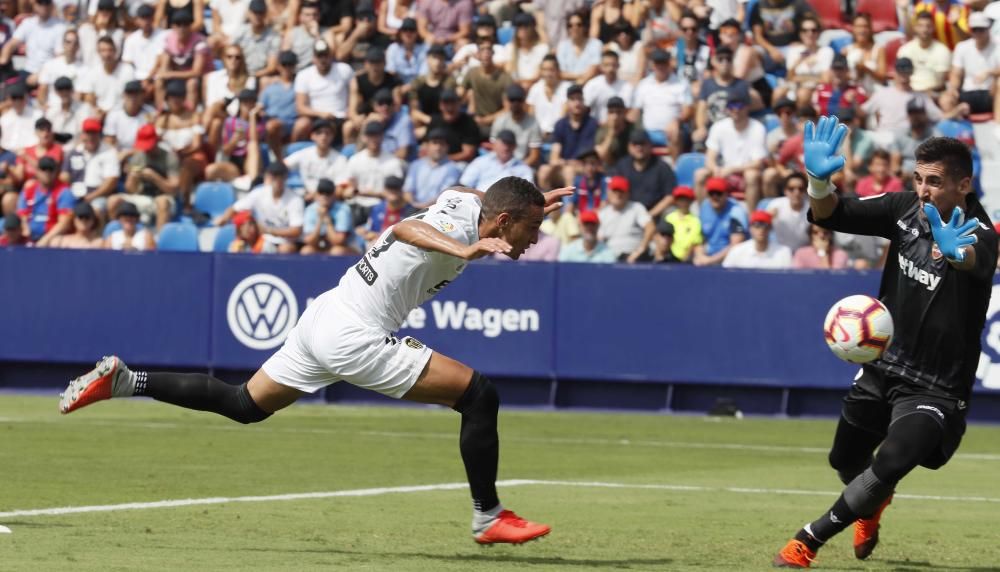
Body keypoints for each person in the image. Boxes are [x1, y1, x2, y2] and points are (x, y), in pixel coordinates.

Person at [60, 177, 565, 547]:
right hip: (354, 334)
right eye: (534, 225)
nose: (535, 237)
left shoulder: (467, 201)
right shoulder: (456, 230)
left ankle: (127, 380)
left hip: (325, 315)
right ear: (503, 223)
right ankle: (487, 516)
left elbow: (463, 189)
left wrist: (532, 201)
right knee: (479, 396)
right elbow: (406, 228)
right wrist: (465, 247)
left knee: (244, 404)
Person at [772, 117, 998, 568]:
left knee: (892, 461)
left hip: (936, 387)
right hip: (883, 368)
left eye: (934, 182)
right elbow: (830, 213)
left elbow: (975, 260)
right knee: (844, 459)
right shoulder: (902, 209)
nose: (923, 190)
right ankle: (870, 507)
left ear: (964, 184)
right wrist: (818, 181)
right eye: (918, 178)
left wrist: (957, 253)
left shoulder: (983, 236)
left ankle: (807, 540)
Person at [596, 175, 655, 263]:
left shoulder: (636, 208)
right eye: (615, 191)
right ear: (608, 193)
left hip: (634, 257)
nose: (618, 194)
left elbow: (650, 228)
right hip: (610, 259)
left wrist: (640, 250)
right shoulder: (603, 214)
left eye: (621, 191)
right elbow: (599, 239)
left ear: (628, 193)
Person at [17, 155, 74, 246]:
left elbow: (64, 223)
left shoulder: (64, 192)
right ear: (37, 171)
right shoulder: (29, 190)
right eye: (43, 169)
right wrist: (25, 230)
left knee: (55, 242)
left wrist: (45, 239)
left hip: (51, 236)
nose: (47, 172)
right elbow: (22, 215)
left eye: (51, 169)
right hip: (29, 235)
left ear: (56, 172)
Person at [403, 128, 461, 209]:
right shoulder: (416, 165)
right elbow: (407, 190)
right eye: (435, 143)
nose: (438, 147)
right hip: (413, 208)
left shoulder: (453, 169)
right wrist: (414, 204)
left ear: (447, 147)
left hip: (437, 209)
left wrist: (424, 207)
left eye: (442, 144)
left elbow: (444, 194)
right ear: (427, 145)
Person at [459, 129, 533, 191]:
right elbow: (464, 184)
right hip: (480, 202)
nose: (506, 147)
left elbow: (529, 193)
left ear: (515, 146)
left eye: (510, 144)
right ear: (495, 144)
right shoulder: (480, 162)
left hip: (509, 205)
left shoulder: (523, 168)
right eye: (503, 143)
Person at [722, 210, 792, 269]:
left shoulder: (783, 253)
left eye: (765, 226)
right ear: (750, 228)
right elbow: (725, 275)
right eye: (756, 226)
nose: (761, 229)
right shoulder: (737, 251)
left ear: (770, 228)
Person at [300, 178, 354, 255]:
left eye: (328, 193)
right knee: (306, 251)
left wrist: (327, 219)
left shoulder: (343, 209)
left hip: (347, 247)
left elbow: (338, 241)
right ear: (316, 194)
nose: (324, 196)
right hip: (321, 246)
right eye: (321, 192)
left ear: (334, 195)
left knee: (336, 251)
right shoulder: (310, 210)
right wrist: (320, 219)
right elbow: (309, 241)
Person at [664, 185, 701, 262]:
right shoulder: (669, 218)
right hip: (669, 256)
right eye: (679, 199)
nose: (682, 202)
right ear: (675, 201)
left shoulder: (696, 221)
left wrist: (686, 257)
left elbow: (695, 242)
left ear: (691, 201)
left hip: (687, 259)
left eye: (686, 199)